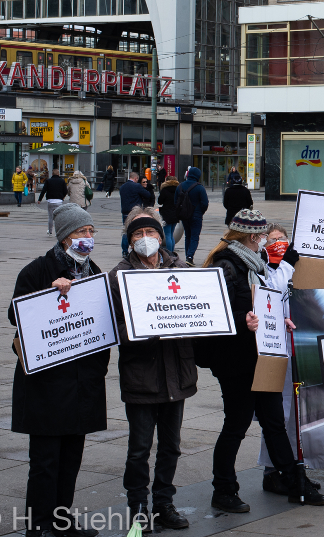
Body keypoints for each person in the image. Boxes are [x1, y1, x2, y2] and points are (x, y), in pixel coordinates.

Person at [197, 210, 324, 511]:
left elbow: (264, 301)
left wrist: (278, 320)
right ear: (253, 238)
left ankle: (293, 481)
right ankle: (224, 489)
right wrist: (242, 320)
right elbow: (214, 312)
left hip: (260, 356)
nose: (265, 244)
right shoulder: (226, 265)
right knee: (237, 424)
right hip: (236, 361)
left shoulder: (254, 265)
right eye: (262, 237)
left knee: (273, 422)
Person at [9, 204, 107, 537]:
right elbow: (16, 313)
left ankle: (62, 522)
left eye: (91, 232)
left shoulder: (94, 271)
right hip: (47, 385)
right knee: (45, 461)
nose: (88, 238)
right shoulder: (37, 270)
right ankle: (37, 526)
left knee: (71, 459)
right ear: (65, 236)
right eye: (82, 232)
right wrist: (50, 293)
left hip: (81, 383)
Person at [108, 208, 194, 532]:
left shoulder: (181, 270)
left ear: (161, 236)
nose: (145, 240)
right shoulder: (119, 276)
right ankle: (138, 508)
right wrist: (140, 329)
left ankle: (164, 504)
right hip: (141, 374)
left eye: (150, 234)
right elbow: (112, 326)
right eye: (137, 235)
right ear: (129, 241)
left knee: (171, 445)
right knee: (139, 449)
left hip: (176, 371)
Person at [256, 225, 313, 495]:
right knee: (279, 414)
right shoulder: (261, 268)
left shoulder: (295, 266)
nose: (278, 243)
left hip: (299, 349)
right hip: (275, 347)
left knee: (296, 416)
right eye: (273, 239)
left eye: (282, 239)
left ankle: (295, 467)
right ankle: (274, 470)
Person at [175, 167, 209, 266]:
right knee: (194, 236)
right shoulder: (199, 187)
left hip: (184, 216)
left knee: (188, 236)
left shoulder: (180, 186)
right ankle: (190, 257)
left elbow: (175, 202)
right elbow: (205, 203)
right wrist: (200, 212)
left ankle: (187, 256)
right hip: (196, 215)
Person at [119, 172, 153, 259]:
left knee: (126, 231)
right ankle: (135, 249)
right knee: (136, 230)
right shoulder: (137, 186)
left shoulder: (122, 187)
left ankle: (124, 251)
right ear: (136, 178)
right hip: (135, 212)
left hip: (125, 211)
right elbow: (147, 195)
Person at [38, 169, 68, 236]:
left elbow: (43, 190)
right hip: (59, 201)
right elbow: (66, 191)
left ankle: (50, 231)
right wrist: (63, 197)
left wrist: (39, 199)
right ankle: (58, 231)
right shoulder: (62, 181)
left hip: (50, 201)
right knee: (58, 217)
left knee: (50, 217)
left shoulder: (48, 181)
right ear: (58, 174)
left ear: (52, 174)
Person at [157, 176, 181, 252]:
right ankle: (172, 251)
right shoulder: (179, 190)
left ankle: (169, 253)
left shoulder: (164, 190)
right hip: (175, 213)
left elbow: (160, 201)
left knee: (167, 235)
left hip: (166, 213)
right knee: (171, 234)